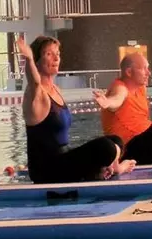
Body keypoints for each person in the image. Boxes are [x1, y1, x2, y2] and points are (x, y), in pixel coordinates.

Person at [16, 34, 135, 183]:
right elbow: (34, 82)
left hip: (63, 160)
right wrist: (28, 59)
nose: (56, 58)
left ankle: (111, 168)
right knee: (106, 148)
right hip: (46, 170)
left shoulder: (56, 90)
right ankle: (105, 169)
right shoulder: (35, 94)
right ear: (37, 61)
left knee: (115, 140)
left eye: (57, 54)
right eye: (48, 54)